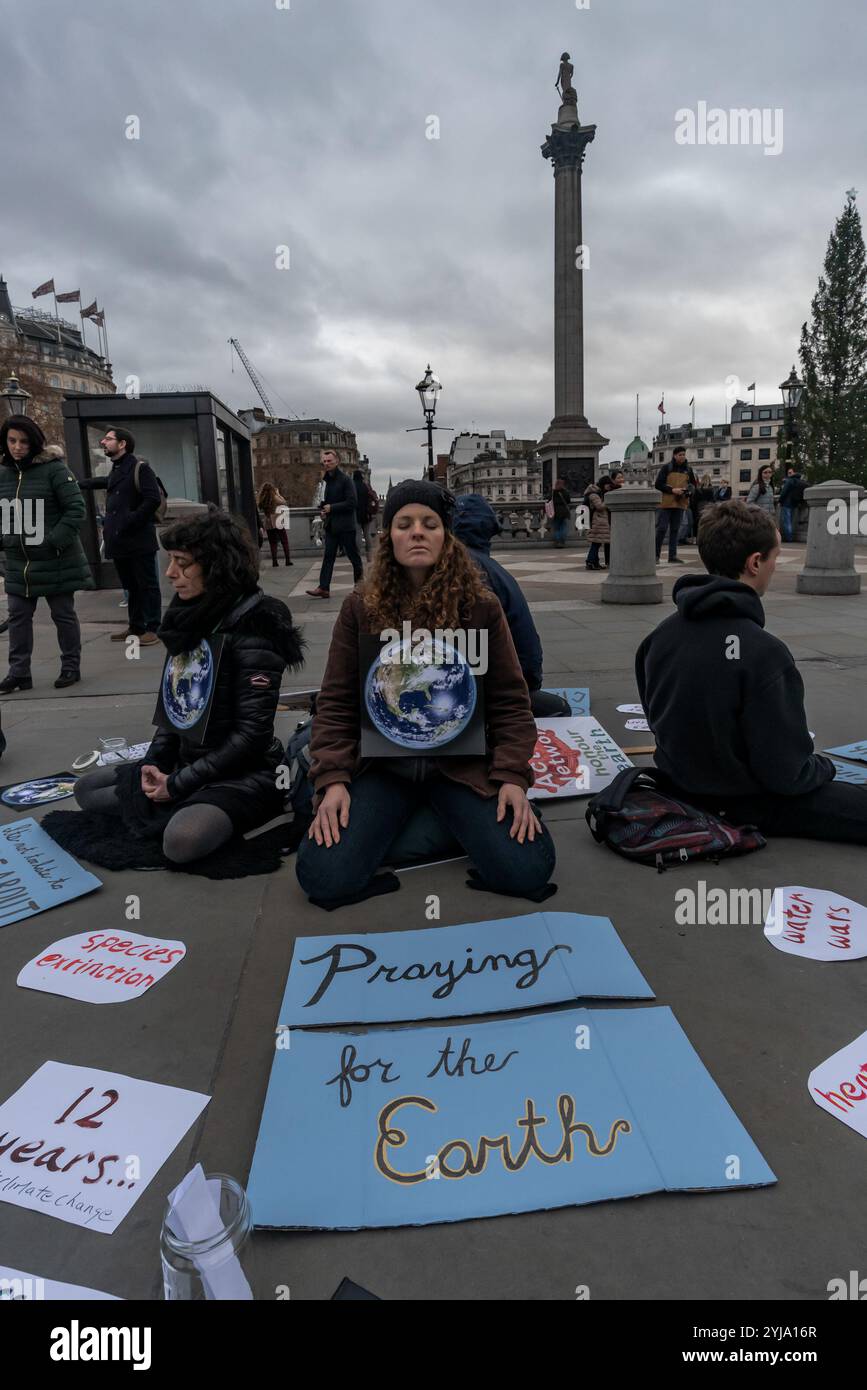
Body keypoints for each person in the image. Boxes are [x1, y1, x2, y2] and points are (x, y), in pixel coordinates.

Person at [296, 479, 556, 907]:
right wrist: (333, 779)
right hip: (381, 769)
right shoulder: (360, 607)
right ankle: (435, 826)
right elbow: (337, 703)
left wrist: (511, 777)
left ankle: (433, 824)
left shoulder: (481, 606)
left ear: (446, 537)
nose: (417, 532)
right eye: (404, 523)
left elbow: (511, 702)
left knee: (527, 871)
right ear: (388, 538)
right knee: (323, 878)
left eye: (430, 523)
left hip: (461, 767)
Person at [73, 508, 305, 864]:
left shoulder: (257, 623)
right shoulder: (190, 615)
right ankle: (171, 801)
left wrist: (178, 784)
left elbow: (251, 735)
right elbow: (174, 713)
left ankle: (238, 809)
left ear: (216, 566)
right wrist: (153, 765)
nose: (170, 574)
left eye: (182, 563)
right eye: (171, 561)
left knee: (182, 841)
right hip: (186, 763)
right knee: (86, 789)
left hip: (244, 772)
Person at [635, 500, 867, 845]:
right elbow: (788, 775)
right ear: (755, 563)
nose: (776, 566)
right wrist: (826, 766)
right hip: (739, 802)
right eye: (775, 557)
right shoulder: (764, 653)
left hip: (676, 783)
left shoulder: (659, 637)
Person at [453, 494, 570, 717]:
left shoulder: (467, 569)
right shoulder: (491, 567)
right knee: (560, 708)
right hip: (520, 679)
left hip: (502, 688)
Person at [0, 416, 93, 692]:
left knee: (62, 614)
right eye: (12, 440)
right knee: (17, 616)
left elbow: (76, 510)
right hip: (19, 561)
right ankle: (19, 673)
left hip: (56, 559)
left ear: (34, 442)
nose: (17, 447)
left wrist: (53, 541)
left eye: (24, 441)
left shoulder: (54, 470)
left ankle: (70, 667)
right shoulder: (3, 473)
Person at [78, 428, 163, 645]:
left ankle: (153, 628)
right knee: (131, 586)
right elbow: (105, 482)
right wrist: (79, 482)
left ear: (122, 443)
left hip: (138, 539)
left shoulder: (140, 468)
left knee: (147, 585)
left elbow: (152, 499)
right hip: (120, 540)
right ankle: (136, 627)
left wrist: (130, 519)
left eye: (108, 439)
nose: (103, 442)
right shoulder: (117, 470)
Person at [306, 450, 364, 598]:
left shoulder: (346, 480)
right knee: (328, 557)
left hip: (345, 526)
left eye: (329, 461)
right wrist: (324, 510)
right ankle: (324, 587)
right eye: (324, 461)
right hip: (331, 525)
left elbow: (352, 502)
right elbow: (325, 502)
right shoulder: (325, 481)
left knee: (354, 558)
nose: (326, 464)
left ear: (337, 461)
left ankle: (360, 587)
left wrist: (332, 508)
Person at [654, 446, 696, 564]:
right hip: (666, 502)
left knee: (675, 530)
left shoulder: (688, 469)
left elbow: (693, 484)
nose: (682, 456)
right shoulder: (666, 468)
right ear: (674, 455)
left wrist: (688, 491)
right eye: (680, 454)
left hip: (680, 502)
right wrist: (672, 490)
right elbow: (658, 484)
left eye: (684, 454)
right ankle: (655, 555)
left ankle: (672, 556)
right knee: (661, 529)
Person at [257, 482, 293, 567]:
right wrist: (278, 494)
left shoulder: (263, 499)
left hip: (269, 523)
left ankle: (274, 561)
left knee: (273, 543)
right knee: (284, 541)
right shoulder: (275, 498)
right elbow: (284, 502)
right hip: (278, 521)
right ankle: (287, 560)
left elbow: (260, 507)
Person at [584, 476, 615, 570]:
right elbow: (600, 506)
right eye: (607, 485)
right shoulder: (593, 494)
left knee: (597, 543)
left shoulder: (599, 493)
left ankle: (595, 562)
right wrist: (608, 499)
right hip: (596, 522)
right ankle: (590, 562)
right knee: (595, 543)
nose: (609, 487)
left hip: (599, 521)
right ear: (603, 484)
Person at [779, 467, 806, 542]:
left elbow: (784, 492)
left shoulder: (790, 481)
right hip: (795, 503)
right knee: (791, 521)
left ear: (794, 473)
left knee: (787, 522)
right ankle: (790, 537)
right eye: (788, 473)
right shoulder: (800, 481)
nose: (789, 474)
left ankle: (789, 538)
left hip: (786, 503)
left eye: (790, 473)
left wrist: (780, 501)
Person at [690, 473, 716, 540]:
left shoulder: (698, 490)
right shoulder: (711, 490)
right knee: (708, 523)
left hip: (699, 509)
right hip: (708, 509)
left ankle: (697, 538)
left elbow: (694, 502)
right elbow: (713, 501)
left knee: (698, 524)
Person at [548, 479, 572, 547]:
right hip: (564, 511)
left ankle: (557, 541)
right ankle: (562, 541)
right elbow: (568, 501)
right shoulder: (565, 492)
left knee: (557, 527)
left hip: (555, 511)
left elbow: (549, 501)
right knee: (563, 526)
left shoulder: (553, 493)